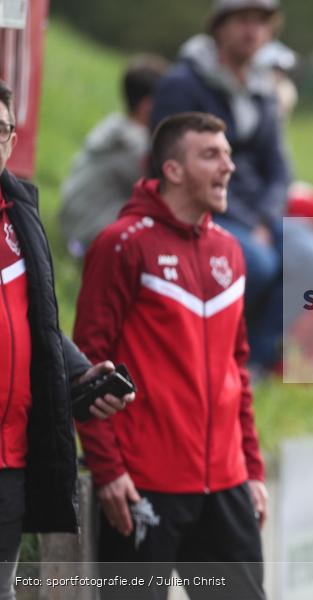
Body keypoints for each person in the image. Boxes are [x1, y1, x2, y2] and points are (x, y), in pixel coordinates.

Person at [73, 113, 267, 600]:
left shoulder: (230, 250)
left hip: (227, 484)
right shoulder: (121, 244)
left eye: (228, 154)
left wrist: (252, 469)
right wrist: (108, 470)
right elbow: (87, 370)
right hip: (144, 485)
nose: (228, 166)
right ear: (173, 169)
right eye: (211, 155)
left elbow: (237, 371)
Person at [0, 80, 132, 600]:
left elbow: (38, 320)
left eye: (1, 130)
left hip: (12, 458)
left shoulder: (20, 214)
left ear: (12, 141)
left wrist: (78, 372)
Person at [150, 0, 291, 371]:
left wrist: (264, 217)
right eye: (243, 20)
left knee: (310, 259)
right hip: (203, 202)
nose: (252, 31)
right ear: (220, 26)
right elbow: (169, 160)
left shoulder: (265, 89)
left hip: (256, 211)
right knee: (258, 263)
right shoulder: (184, 83)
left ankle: (254, 363)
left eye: (261, 22)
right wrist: (249, 222)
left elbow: (279, 168)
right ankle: (211, 352)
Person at [59, 54, 168, 257]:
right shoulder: (134, 145)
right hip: (90, 233)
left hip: (75, 223)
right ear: (147, 106)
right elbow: (165, 196)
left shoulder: (117, 125)